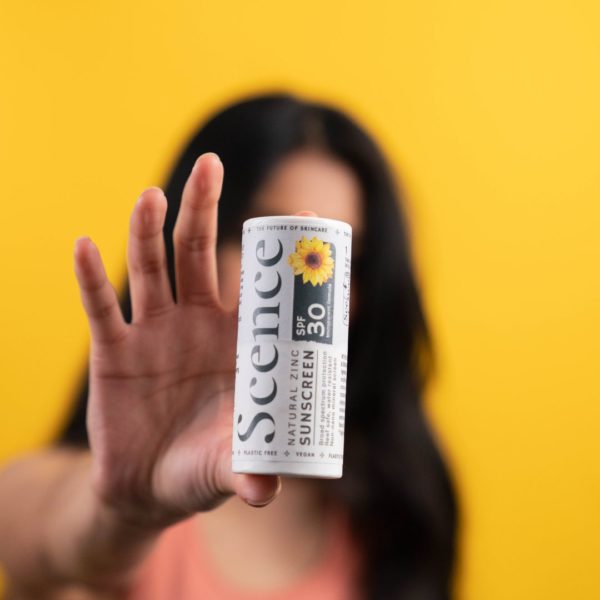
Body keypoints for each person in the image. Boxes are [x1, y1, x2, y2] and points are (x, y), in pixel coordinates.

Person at [0, 93, 457, 599]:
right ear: (199, 238)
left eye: (338, 257)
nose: (305, 287)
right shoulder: (107, 497)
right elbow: (21, 518)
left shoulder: (400, 510)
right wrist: (121, 512)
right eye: (270, 242)